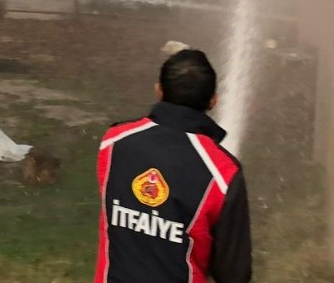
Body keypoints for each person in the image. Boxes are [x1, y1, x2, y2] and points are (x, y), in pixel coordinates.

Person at [95, 49, 251, 283]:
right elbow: (233, 274)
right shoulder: (223, 174)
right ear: (213, 100)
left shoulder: (114, 142)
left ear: (159, 90)